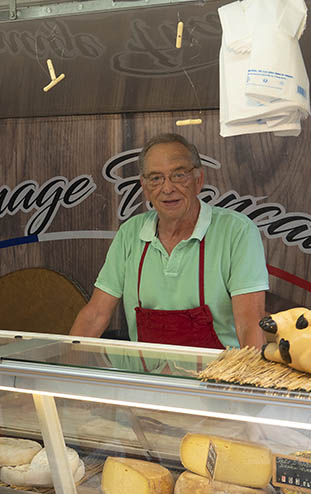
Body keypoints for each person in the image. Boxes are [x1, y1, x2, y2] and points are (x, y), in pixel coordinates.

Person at [70, 133, 268, 348]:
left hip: (218, 377)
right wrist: (63, 368)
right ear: (145, 188)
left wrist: (246, 381)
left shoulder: (237, 231)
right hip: (147, 377)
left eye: (178, 175)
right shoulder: (130, 233)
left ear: (198, 180)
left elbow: (249, 323)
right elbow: (96, 314)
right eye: (155, 178)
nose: (167, 188)